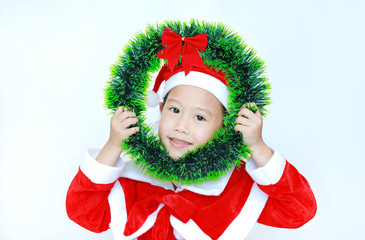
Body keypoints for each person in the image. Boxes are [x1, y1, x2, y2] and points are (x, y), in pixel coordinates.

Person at [66, 24, 317, 240]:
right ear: (161, 108)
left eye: (199, 117)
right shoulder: (133, 179)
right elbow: (83, 213)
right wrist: (113, 146)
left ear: (225, 126)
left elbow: (299, 210)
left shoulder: (235, 185)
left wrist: (258, 147)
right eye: (174, 110)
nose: (181, 126)